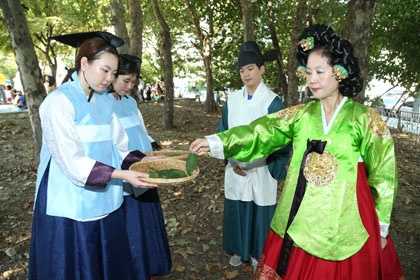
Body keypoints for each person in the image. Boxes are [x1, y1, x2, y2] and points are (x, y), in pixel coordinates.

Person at [190, 25, 404, 280]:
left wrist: (381, 226)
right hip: (301, 215)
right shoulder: (301, 115)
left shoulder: (365, 119)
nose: (312, 79)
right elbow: (261, 131)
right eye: (308, 72)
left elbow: (383, 174)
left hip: (346, 217)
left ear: (339, 73)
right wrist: (217, 142)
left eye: (320, 72)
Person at [29, 31, 158, 280]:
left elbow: (120, 147)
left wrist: (142, 166)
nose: (109, 79)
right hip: (68, 199)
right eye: (105, 70)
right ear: (84, 64)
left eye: (113, 72)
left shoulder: (106, 101)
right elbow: (72, 160)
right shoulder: (58, 103)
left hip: (106, 191)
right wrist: (123, 175)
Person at [218, 41, 290, 270]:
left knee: (260, 210)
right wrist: (232, 160)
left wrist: (260, 162)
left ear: (262, 69)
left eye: (250, 68)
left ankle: (259, 252)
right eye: (242, 70)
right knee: (238, 206)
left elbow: (279, 139)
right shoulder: (232, 100)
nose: (246, 74)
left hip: (261, 167)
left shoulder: (272, 101)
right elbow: (224, 132)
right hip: (235, 166)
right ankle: (239, 250)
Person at [110, 53, 171, 279]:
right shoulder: (104, 105)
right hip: (125, 174)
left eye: (133, 82)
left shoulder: (131, 102)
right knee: (132, 225)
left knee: (148, 221)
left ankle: (152, 265)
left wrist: (154, 149)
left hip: (145, 168)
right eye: (126, 80)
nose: (130, 86)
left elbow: (142, 132)